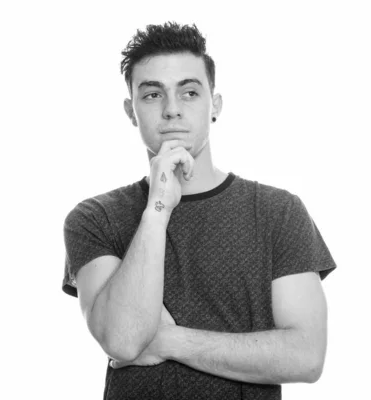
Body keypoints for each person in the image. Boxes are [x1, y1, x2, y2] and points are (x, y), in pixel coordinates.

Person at [61, 22, 336, 400]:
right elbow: (123, 341)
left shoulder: (278, 212)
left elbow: (306, 357)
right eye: (153, 94)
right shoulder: (94, 218)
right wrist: (157, 210)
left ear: (215, 105)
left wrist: (171, 341)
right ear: (130, 110)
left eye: (189, 92)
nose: (172, 110)